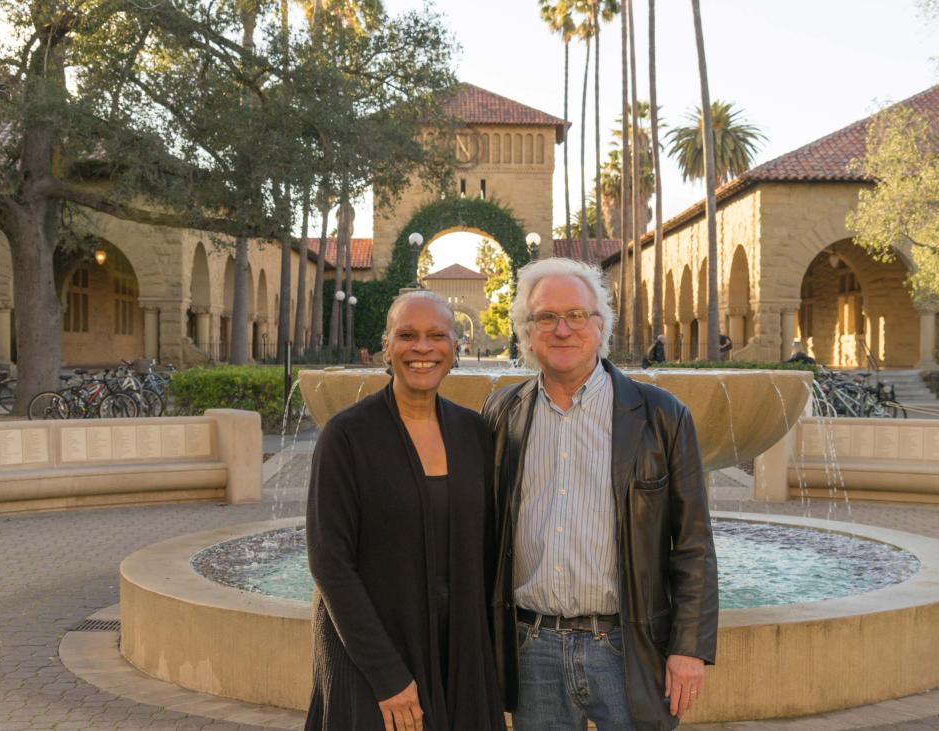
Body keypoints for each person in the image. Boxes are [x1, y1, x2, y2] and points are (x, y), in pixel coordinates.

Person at [482, 258, 718, 730]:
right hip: (534, 650)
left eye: (576, 315)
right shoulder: (503, 411)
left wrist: (688, 647)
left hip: (626, 647)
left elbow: (692, 544)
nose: (562, 329)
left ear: (601, 324)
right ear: (526, 332)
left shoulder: (660, 415)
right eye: (545, 317)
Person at [305, 290, 504, 731]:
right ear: (387, 347)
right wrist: (387, 676)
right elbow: (330, 563)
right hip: (374, 659)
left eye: (437, 335)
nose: (422, 348)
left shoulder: (474, 433)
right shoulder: (347, 436)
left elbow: (491, 549)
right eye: (407, 335)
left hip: (460, 656)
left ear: (456, 347)